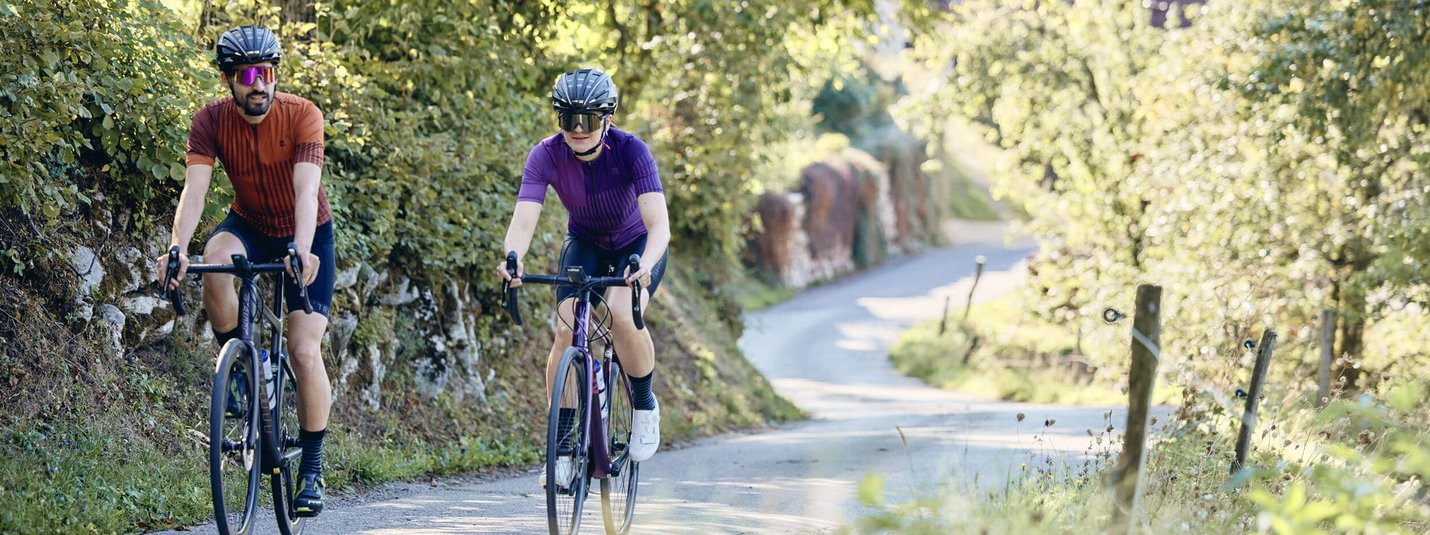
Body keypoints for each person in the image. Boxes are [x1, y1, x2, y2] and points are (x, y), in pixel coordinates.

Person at [154, 25, 335, 517]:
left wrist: (300, 248)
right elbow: (194, 193)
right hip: (250, 224)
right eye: (248, 75)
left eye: (268, 73)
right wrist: (177, 248)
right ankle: (240, 371)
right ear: (228, 80)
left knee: (302, 348)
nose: (260, 84)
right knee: (214, 262)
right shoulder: (210, 121)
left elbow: (305, 192)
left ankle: (313, 468)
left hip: (307, 231)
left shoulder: (303, 115)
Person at [496, 67, 670, 488]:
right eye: (568, 118)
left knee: (620, 314)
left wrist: (644, 262)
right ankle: (564, 448)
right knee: (565, 329)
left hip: (636, 244)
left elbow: (659, 226)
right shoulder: (545, 154)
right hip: (587, 244)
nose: (577, 129)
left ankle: (645, 407)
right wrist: (513, 257)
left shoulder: (632, 151)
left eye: (588, 120)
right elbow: (524, 218)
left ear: (607, 118)